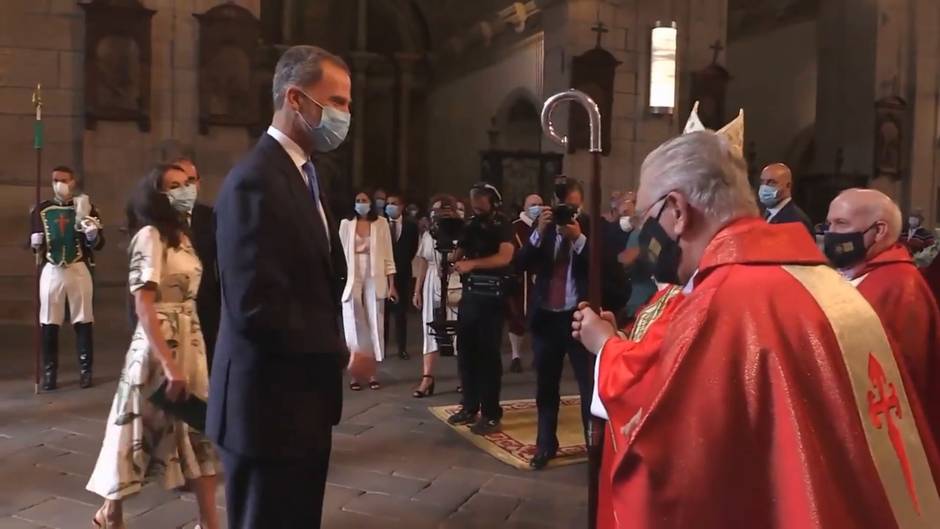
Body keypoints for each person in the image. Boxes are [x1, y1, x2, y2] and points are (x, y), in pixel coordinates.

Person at [573, 131, 940, 528]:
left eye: (647, 218)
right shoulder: (816, 278)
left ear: (677, 211)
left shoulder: (724, 302)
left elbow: (671, 456)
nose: (646, 237)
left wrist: (609, 354)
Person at [209, 45, 370, 529]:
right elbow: (256, 306)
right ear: (296, 99)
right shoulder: (254, 181)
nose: (345, 115)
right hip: (266, 410)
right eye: (337, 102)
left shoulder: (304, 174)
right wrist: (342, 353)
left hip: (300, 404)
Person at [86, 164, 220, 529]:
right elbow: (143, 303)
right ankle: (110, 512)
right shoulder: (149, 235)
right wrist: (169, 363)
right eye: (173, 186)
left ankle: (209, 522)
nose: (184, 190)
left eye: (187, 183)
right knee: (135, 429)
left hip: (190, 339)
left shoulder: (184, 235)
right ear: (156, 196)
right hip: (156, 345)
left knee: (197, 433)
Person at [825, 188, 940, 441]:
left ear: (879, 231)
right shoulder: (852, 272)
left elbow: (902, 374)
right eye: (829, 223)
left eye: (841, 224)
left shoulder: (899, 286)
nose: (830, 233)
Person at [515, 178, 594, 470]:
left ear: (581, 205)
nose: (567, 212)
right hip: (546, 318)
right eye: (563, 206)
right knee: (546, 385)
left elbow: (605, 265)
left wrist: (579, 239)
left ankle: (592, 443)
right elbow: (520, 264)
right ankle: (545, 444)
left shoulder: (590, 227)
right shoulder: (544, 230)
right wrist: (537, 233)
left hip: (578, 317)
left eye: (573, 207)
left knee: (588, 386)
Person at [447, 183, 515, 435]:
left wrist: (473, 264)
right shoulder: (472, 224)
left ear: (492, 200)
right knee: (465, 352)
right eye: (473, 198)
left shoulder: (503, 224)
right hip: (471, 295)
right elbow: (457, 255)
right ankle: (469, 405)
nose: (475, 202)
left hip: (492, 296)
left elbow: (505, 257)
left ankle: (490, 412)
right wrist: (447, 233)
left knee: (488, 355)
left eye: (480, 199)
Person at [29, 165, 104, 390]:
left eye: (63, 179)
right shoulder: (40, 210)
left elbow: (99, 244)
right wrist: (35, 244)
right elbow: (33, 246)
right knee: (49, 322)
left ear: (73, 182)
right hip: (52, 269)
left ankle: (85, 371)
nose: (58, 183)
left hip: (78, 268)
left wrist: (92, 236)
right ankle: (50, 373)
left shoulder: (86, 207)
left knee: (83, 320)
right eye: (54, 180)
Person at [339, 191, 397, 390]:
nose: (361, 203)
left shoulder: (381, 224)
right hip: (352, 275)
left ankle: (372, 373)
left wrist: (392, 285)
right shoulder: (346, 224)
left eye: (364, 200)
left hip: (375, 274)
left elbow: (388, 256)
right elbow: (339, 255)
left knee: (374, 320)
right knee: (353, 322)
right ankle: (354, 373)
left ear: (371, 203)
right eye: (357, 200)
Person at [172, 157, 221, 371]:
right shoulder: (159, 220)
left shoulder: (212, 217)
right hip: (172, 309)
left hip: (207, 306)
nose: (186, 188)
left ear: (199, 183)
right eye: (178, 184)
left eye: (191, 181)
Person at [412, 195, 461, 398]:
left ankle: (463, 378)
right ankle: (427, 377)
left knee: (459, 329)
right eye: (437, 210)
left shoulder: (461, 231)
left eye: (445, 209)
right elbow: (423, 261)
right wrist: (417, 289)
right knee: (429, 328)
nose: (441, 213)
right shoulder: (429, 233)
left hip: (455, 280)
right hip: (432, 279)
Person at [506, 193, 543, 373]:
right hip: (519, 278)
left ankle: (539, 355)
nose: (537, 207)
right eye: (533, 204)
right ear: (525, 207)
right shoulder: (514, 228)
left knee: (540, 317)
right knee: (516, 317)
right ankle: (516, 355)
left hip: (539, 277)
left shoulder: (545, 226)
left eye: (539, 204)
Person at [384, 192, 419, 360]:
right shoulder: (380, 224)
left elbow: (413, 248)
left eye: (394, 203)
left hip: (403, 273)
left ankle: (402, 348)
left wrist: (402, 263)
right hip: (383, 274)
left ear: (402, 206)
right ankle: (381, 347)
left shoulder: (411, 226)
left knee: (401, 313)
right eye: (388, 203)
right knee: (382, 313)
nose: (390, 206)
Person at [758, 162, 814, 235]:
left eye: (771, 182)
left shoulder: (796, 221)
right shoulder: (760, 214)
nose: (764, 187)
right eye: (762, 182)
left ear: (788, 185)